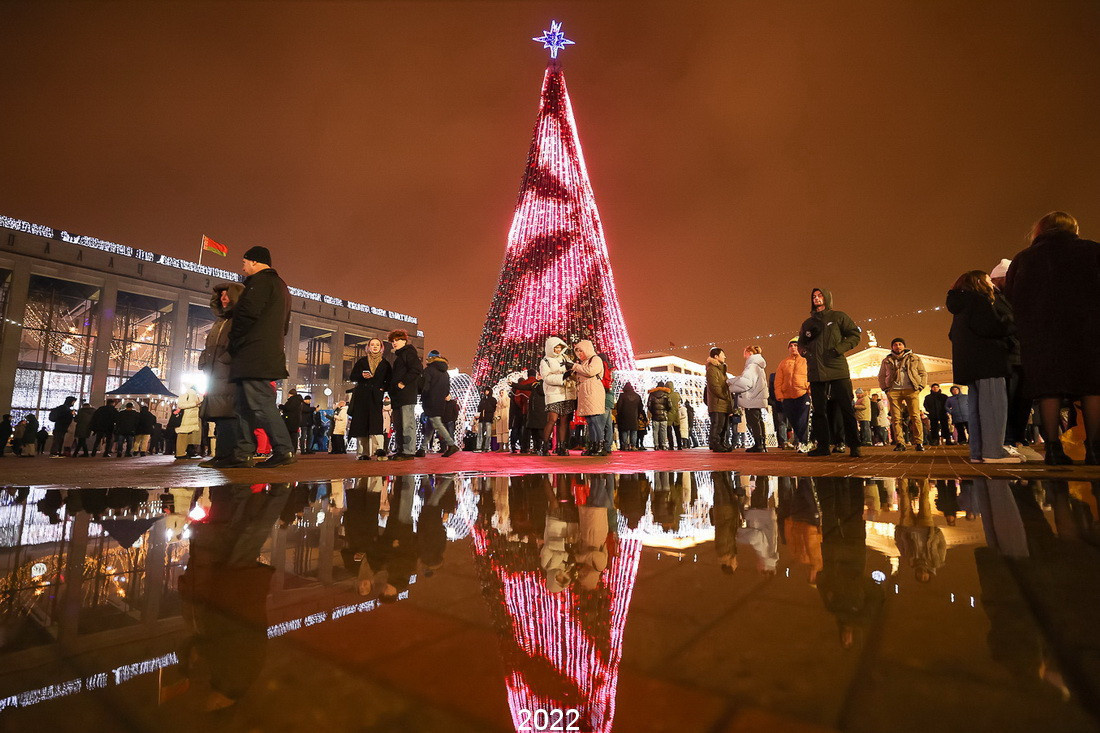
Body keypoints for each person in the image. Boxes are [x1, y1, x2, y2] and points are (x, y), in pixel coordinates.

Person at [1005, 212, 1100, 465]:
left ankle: (1054, 450)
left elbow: (1012, 296)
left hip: (1042, 335)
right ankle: (1094, 449)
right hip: (1088, 331)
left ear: (1040, 230)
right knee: (1092, 388)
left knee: (1048, 392)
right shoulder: (1092, 251)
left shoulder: (1024, 258)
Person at [228, 245, 296, 467]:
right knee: (244, 405)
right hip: (263, 352)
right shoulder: (281, 286)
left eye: (245, 262)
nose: (243, 266)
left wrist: (235, 339)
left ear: (255, 262)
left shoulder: (260, 283)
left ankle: (283, 450)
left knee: (260, 403)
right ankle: (243, 452)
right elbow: (284, 326)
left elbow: (247, 315)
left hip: (253, 353)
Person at [947, 270, 1021, 464]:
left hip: (970, 365)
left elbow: (952, 335)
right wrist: (1014, 320)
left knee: (977, 410)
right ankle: (994, 452)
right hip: (988, 362)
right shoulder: (978, 301)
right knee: (994, 407)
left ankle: (978, 452)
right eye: (988, 280)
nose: (991, 284)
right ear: (979, 282)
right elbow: (992, 327)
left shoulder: (961, 305)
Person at [798, 288, 862, 457]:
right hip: (816, 370)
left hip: (836, 367)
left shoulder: (838, 317)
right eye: (814, 296)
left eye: (819, 296)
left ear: (826, 298)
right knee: (819, 410)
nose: (817, 298)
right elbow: (801, 344)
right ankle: (823, 446)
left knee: (846, 407)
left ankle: (854, 445)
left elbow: (855, 335)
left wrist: (838, 349)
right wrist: (806, 353)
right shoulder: (807, 323)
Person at [195, 282, 249, 466]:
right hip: (216, 375)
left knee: (228, 415)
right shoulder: (220, 322)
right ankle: (221, 454)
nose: (223, 298)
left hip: (228, 375)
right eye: (221, 295)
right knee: (220, 416)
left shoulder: (239, 319)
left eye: (227, 294)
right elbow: (211, 346)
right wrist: (204, 359)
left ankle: (227, 455)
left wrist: (224, 359)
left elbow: (240, 344)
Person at [877, 337, 927, 452]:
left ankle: (919, 442)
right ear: (892, 347)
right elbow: (882, 375)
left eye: (900, 344)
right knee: (896, 418)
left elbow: (922, 372)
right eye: (895, 344)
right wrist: (885, 388)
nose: (897, 346)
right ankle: (900, 443)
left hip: (911, 389)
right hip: (894, 390)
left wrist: (920, 386)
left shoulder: (914, 357)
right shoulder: (887, 360)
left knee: (915, 416)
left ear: (904, 346)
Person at [348, 337, 392, 459]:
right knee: (361, 423)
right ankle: (363, 453)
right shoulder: (362, 361)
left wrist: (383, 388)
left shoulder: (385, 363)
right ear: (368, 347)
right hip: (362, 395)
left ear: (381, 347)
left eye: (377, 345)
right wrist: (362, 376)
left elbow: (389, 379)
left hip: (375, 396)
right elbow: (352, 376)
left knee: (376, 422)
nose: (375, 347)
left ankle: (380, 449)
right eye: (372, 344)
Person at [387, 329, 423, 460]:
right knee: (398, 424)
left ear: (404, 341)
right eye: (393, 341)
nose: (394, 343)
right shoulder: (400, 356)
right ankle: (401, 450)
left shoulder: (409, 353)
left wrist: (403, 382)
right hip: (398, 396)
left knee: (407, 424)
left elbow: (417, 369)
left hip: (406, 395)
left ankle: (408, 451)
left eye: (397, 340)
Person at [538, 336, 576, 456]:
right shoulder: (545, 361)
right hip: (554, 394)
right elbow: (547, 377)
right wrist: (562, 377)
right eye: (556, 348)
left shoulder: (565, 358)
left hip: (567, 393)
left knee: (564, 421)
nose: (558, 350)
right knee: (552, 420)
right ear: (550, 348)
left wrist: (571, 373)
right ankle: (544, 446)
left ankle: (562, 446)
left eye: (560, 348)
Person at [727, 346, 769, 452]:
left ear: (749, 353)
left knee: (753, 422)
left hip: (751, 398)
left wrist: (730, 385)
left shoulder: (751, 366)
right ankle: (762, 444)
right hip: (757, 397)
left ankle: (759, 444)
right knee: (758, 420)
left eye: (744, 352)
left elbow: (745, 383)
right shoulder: (758, 366)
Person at [420, 352, 461, 457]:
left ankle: (451, 444)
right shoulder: (445, 372)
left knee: (437, 423)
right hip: (440, 402)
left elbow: (425, 386)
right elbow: (447, 389)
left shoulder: (428, 370)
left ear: (431, 359)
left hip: (430, 401)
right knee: (430, 425)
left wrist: (422, 395)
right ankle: (422, 448)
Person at [571, 339, 608, 456]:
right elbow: (583, 375)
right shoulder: (584, 362)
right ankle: (593, 444)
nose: (579, 354)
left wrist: (575, 366)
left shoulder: (595, 359)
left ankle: (600, 445)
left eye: (581, 351)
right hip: (586, 393)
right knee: (591, 421)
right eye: (577, 352)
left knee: (596, 420)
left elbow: (591, 371)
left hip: (593, 392)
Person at [705, 347, 733, 452]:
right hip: (717, 403)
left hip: (723, 403)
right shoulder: (712, 369)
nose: (725, 356)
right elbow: (715, 387)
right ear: (716, 356)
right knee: (717, 425)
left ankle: (721, 443)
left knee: (724, 426)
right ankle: (715, 444)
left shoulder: (721, 370)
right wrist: (726, 397)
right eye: (723, 354)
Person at [176, 386, 203, 459]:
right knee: (183, 435)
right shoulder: (187, 394)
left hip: (189, 418)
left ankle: (182, 452)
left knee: (185, 436)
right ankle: (180, 453)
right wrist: (194, 404)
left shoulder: (193, 395)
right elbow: (181, 405)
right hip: (186, 418)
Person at [614, 383, 643, 451]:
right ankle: (633, 446)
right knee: (634, 431)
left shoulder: (622, 396)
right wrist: (638, 415)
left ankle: (625, 446)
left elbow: (619, 406)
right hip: (634, 416)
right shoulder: (637, 396)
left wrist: (619, 414)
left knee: (624, 431)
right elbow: (640, 407)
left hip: (624, 416)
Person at [646, 381, 672, 450]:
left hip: (655, 416)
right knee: (663, 431)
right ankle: (663, 445)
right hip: (664, 415)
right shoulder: (666, 394)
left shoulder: (652, 394)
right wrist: (665, 411)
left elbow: (649, 405)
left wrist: (653, 411)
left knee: (655, 431)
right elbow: (670, 405)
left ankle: (656, 445)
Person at [279, 389, 303, 454]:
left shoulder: (292, 400)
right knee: (294, 436)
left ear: (290, 394)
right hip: (296, 421)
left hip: (290, 421)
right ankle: (293, 450)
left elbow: (288, 408)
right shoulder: (299, 401)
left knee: (290, 436)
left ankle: (289, 450)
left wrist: (281, 406)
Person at [475, 387, 497, 452]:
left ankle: (487, 447)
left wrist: (487, 409)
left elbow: (494, 408)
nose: (486, 392)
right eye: (485, 391)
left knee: (488, 434)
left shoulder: (493, 399)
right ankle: (478, 447)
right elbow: (479, 408)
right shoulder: (483, 399)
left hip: (488, 418)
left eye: (487, 391)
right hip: (482, 418)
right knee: (480, 433)